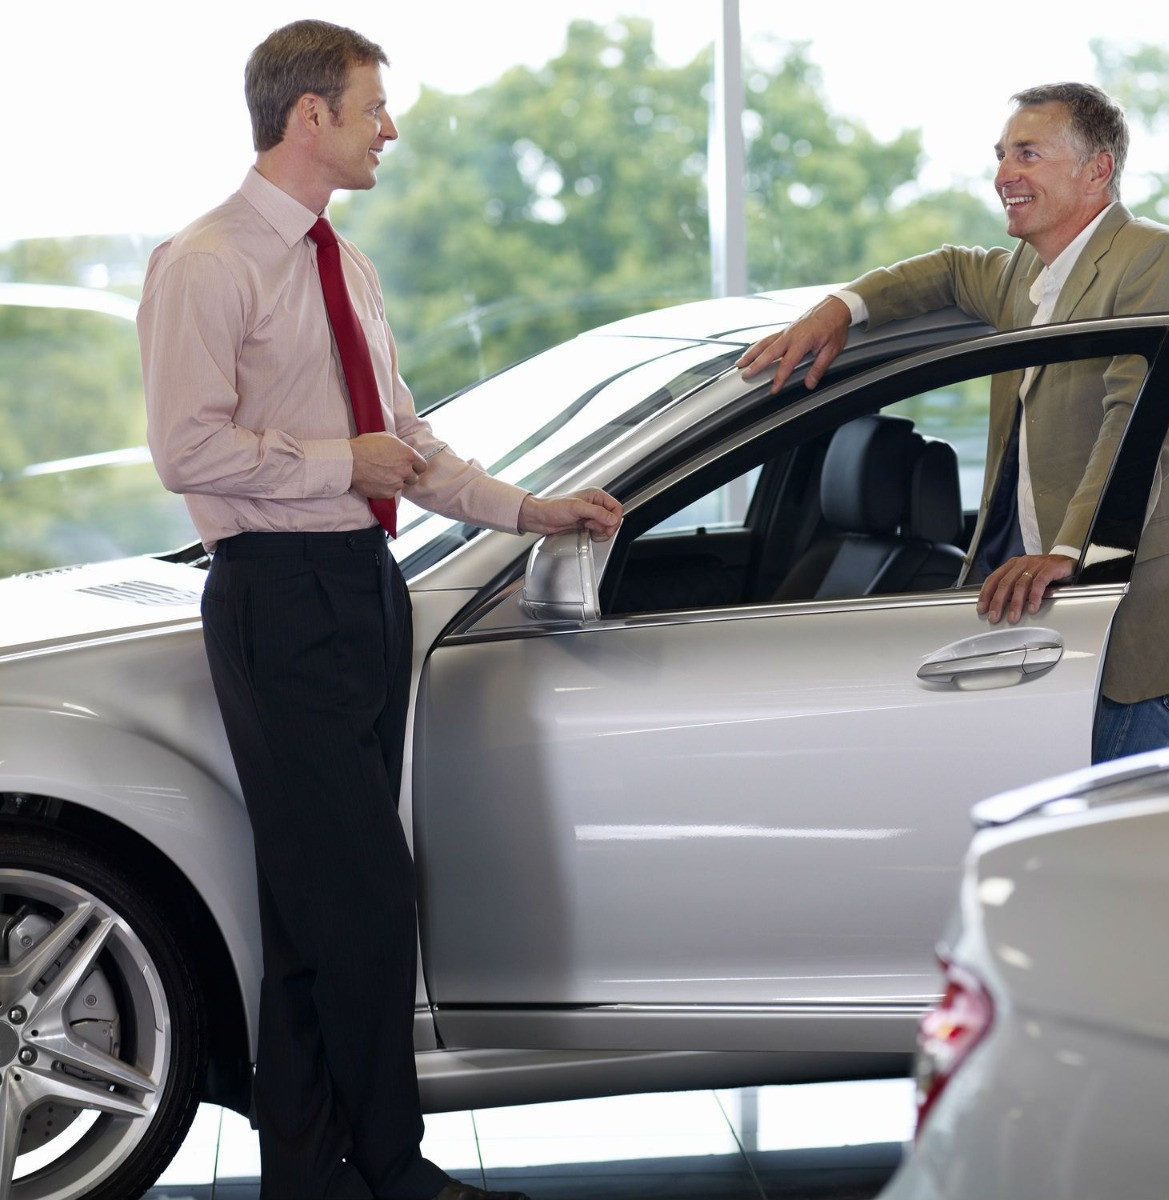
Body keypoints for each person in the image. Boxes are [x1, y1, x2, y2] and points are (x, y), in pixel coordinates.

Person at [139, 20, 621, 1200]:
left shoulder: (338, 260)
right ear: (310, 116)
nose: (389, 129)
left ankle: (307, 1173)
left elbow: (400, 440)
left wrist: (527, 510)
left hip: (363, 588)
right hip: (277, 594)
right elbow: (182, 446)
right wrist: (333, 462)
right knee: (360, 895)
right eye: (372, 109)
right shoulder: (205, 261)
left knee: (315, 906)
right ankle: (394, 1166)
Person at [737, 82, 1169, 763]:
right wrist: (840, 308)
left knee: (1103, 846)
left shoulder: (1155, 259)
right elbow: (945, 273)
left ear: (1097, 170)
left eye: (1027, 154)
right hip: (1044, 612)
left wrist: (1067, 554)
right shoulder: (1022, 275)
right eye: (1002, 155)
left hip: (1130, 611)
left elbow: (1141, 425)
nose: (1003, 174)